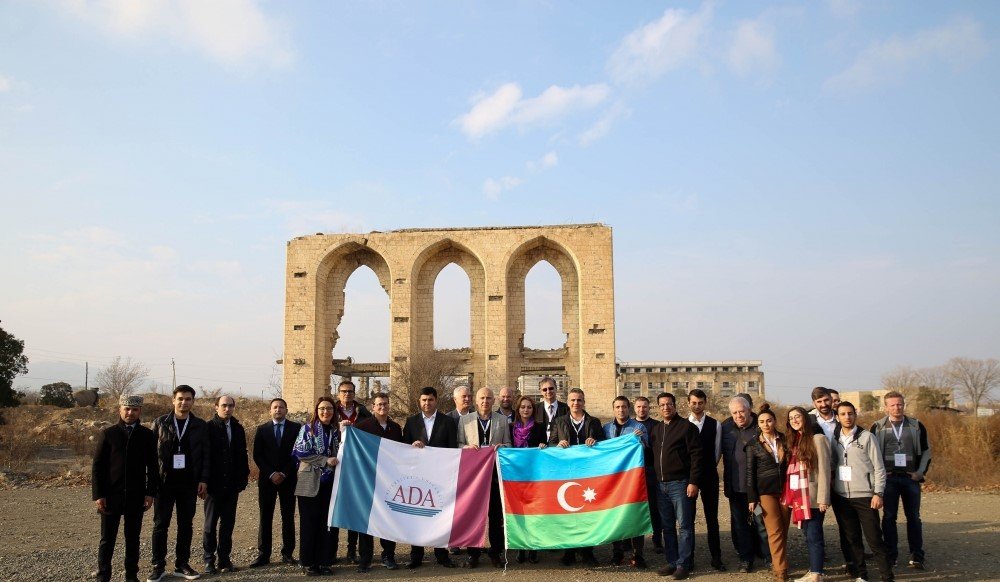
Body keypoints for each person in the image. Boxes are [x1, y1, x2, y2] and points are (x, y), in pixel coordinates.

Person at [93, 394, 158, 582]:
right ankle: (103, 575)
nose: (130, 413)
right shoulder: (108, 433)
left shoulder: (146, 435)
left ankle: (131, 575)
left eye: (135, 410)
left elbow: (153, 466)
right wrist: (99, 495)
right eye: (127, 409)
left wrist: (150, 493)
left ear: (140, 411)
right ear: (120, 410)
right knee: (107, 539)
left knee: (132, 539)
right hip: (111, 495)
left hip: (136, 496)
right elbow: (97, 466)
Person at [149, 385, 209, 582]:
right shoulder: (160, 423)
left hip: (188, 483)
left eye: (188, 399)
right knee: (160, 524)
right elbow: (150, 456)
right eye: (181, 398)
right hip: (164, 483)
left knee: (186, 525)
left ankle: (182, 564)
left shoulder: (200, 425)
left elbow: (206, 456)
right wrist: (150, 482)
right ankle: (158, 566)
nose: (184, 402)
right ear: (173, 400)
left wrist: (203, 479)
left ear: (193, 401)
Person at [831, 401, 894, 582]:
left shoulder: (867, 437)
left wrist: (878, 493)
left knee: (875, 540)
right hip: (842, 497)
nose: (847, 417)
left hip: (866, 496)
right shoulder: (834, 438)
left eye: (850, 413)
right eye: (843, 414)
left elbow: (879, 467)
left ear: (855, 415)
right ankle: (862, 576)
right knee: (853, 540)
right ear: (838, 417)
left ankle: (887, 577)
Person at [870, 391, 931, 570]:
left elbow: (927, 451)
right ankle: (891, 556)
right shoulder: (877, 427)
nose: (897, 407)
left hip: (910, 478)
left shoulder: (916, 425)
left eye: (900, 404)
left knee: (914, 517)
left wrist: (920, 472)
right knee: (889, 517)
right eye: (893, 405)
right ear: (886, 407)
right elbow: (871, 455)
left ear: (904, 404)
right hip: (888, 479)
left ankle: (917, 556)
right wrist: (878, 478)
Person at [401, 386, 459, 569]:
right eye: (424, 400)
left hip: (440, 477)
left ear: (436, 400)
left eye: (430, 400)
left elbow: (452, 450)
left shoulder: (448, 422)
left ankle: (442, 555)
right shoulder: (411, 422)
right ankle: (416, 555)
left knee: (440, 516)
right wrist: (412, 445)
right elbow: (403, 448)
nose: (427, 403)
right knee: (417, 516)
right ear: (419, 401)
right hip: (417, 477)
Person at [549, 387, 605, 568]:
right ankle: (570, 551)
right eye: (572, 400)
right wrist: (558, 444)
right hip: (567, 474)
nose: (576, 403)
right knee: (569, 513)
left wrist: (594, 442)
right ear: (568, 402)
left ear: (584, 402)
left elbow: (604, 445)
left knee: (587, 513)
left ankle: (588, 551)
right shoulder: (559, 421)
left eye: (579, 400)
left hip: (588, 474)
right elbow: (551, 444)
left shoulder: (594, 422)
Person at [649, 392, 702, 580]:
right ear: (658, 407)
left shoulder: (687, 428)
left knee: (685, 526)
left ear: (675, 405)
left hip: (680, 484)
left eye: (669, 404)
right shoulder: (655, 429)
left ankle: (683, 564)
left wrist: (693, 481)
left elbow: (697, 456)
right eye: (662, 405)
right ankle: (672, 561)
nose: (666, 407)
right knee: (667, 527)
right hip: (660, 486)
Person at [457, 387, 511, 568]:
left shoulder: (502, 420)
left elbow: (509, 444)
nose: (485, 401)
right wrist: (466, 448)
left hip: (495, 476)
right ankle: (473, 553)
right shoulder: (464, 420)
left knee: (496, 516)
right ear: (476, 401)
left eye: (488, 398)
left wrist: (502, 446)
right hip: (474, 478)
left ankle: (495, 552)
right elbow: (458, 444)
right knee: (474, 516)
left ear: (493, 400)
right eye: (482, 398)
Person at [354, 392, 404, 573]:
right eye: (379, 404)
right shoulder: (362, 427)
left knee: (389, 520)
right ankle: (365, 558)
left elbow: (402, 453)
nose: (382, 407)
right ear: (372, 407)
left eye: (385, 404)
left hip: (390, 482)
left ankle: (388, 556)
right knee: (366, 521)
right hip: (368, 481)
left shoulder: (396, 428)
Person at [721, 395, 770, 573]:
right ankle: (745, 558)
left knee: (760, 521)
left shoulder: (760, 426)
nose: (738, 415)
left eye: (742, 411)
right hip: (736, 489)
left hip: (757, 490)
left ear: (749, 410)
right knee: (740, 524)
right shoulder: (726, 428)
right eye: (734, 412)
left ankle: (767, 556)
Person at [293, 397, 341, 576]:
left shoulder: (337, 432)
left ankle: (324, 561)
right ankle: (308, 562)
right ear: (316, 410)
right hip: (309, 482)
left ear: (333, 412)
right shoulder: (307, 429)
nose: (325, 412)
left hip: (330, 484)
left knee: (326, 524)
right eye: (322, 408)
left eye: (329, 409)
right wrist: (324, 460)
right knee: (309, 523)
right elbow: (299, 451)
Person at [250, 398, 301, 568]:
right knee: (266, 517)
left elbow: (297, 454)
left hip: (288, 479)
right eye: (275, 407)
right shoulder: (262, 429)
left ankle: (288, 553)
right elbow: (257, 455)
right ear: (270, 410)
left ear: (286, 410)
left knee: (288, 517)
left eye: (281, 407)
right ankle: (264, 554)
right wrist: (271, 473)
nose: (278, 410)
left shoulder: (296, 428)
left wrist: (284, 473)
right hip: (267, 480)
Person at [202, 396, 249, 574]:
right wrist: (204, 481)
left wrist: (243, 478)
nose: (227, 409)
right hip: (213, 486)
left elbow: (242, 455)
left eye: (230, 406)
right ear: (216, 407)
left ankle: (224, 559)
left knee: (227, 524)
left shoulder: (237, 428)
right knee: (209, 525)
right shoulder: (208, 427)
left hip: (231, 485)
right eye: (224, 406)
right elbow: (204, 456)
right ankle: (208, 560)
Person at [784, 406, 831, 582]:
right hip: (799, 497)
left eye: (798, 416)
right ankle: (814, 570)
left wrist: (823, 498)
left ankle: (816, 573)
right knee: (808, 534)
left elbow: (825, 471)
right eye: (791, 418)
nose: (794, 420)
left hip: (813, 498)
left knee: (814, 535)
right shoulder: (795, 440)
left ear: (805, 418)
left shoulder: (818, 439)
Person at [601, 395, 648, 569]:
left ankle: (638, 554)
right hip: (613, 481)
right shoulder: (606, 429)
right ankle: (617, 553)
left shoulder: (639, 427)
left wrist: (639, 441)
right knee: (616, 516)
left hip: (632, 480)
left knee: (635, 514)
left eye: (624, 407)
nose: (621, 410)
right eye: (618, 407)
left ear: (629, 409)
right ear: (613, 409)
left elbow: (646, 450)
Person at [746, 403, 791, 582]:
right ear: (758, 424)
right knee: (773, 530)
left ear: (775, 421)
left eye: (769, 420)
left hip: (786, 490)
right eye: (762, 421)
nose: (766, 424)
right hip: (766, 492)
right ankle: (781, 570)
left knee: (784, 529)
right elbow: (750, 474)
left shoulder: (785, 439)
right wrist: (752, 498)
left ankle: (780, 560)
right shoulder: (752, 445)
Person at [687, 389, 724, 571]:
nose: (697, 406)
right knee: (689, 519)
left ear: (705, 403)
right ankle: (689, 558)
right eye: (694, 402)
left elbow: (717, 452)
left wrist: (708, 467)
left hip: (709, 476)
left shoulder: (715, 424)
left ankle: (716, 557)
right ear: (688, 403)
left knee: (712, 519)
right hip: (689, 478)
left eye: (700, 402)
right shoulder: (684, 424)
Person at [333, 380, 370, 563]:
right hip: (336, 465)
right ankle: (331, 551)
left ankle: (351, 549)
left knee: (355, 508)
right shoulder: (331, 412)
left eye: (350, 391)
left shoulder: (363, 413)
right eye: (343, 391)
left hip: (357, 466)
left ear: (354, 393)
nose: (347, 394)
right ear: (338, 393)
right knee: (335, 506)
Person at [509, 395, 547, 564]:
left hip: (533, 476)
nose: (526, 410)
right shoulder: (510, 428)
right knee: (518, 512)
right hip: (515, 477)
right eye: (523, 407)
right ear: (518, 409)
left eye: (529, 407)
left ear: (533, 410)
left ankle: (533, 548)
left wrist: (543, 446)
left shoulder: (539, 427)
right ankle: (520, 548)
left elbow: (545, 446)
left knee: (533, 512)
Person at [634, 396, 663, 550]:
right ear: (634, 408)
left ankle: (657, 538)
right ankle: (631, 542)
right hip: (632, 474)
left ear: (649, 408)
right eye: (639, 407)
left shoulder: (657, 425)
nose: (641, 409)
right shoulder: (630, 426)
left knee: (654, 507)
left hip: (652, 470)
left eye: (644, 407)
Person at [534, 376, 568, 441]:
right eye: (544, 389)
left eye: (551, 388)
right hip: (540, 448)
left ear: (556, 388)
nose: (548, 391)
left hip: (560, 448)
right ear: (541, 391)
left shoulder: (566, 409)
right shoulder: (534, 409)